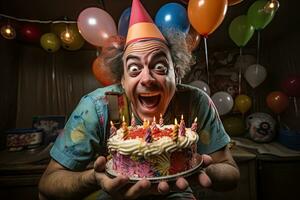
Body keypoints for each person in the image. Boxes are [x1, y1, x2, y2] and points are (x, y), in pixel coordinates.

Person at [38, 0, 240, 199]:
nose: (147, 79)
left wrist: (198, 169)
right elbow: (48, 184)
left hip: (177, 191)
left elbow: (231, 173)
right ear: (122, 81)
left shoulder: (197, 102)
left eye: (159, 67)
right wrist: (94, 178)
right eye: (134, 69)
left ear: (177, 75)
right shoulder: (94, 107)